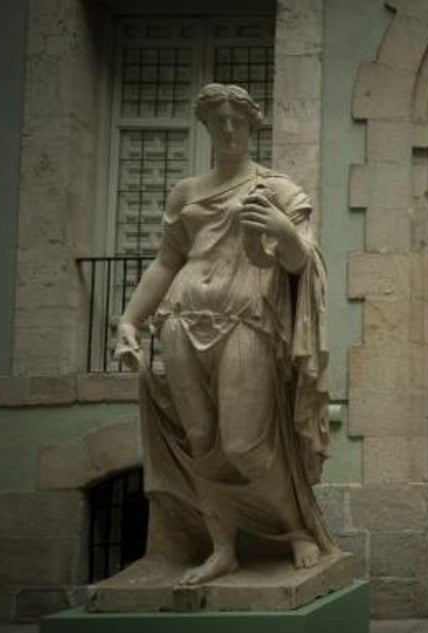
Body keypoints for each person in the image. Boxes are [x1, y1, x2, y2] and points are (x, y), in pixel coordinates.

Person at [114, 84, 334, 585]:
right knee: (200, 443)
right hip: (181, 318)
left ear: (253, 125)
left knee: (244, 444)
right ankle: (223, 546)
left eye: (237, 119)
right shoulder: (186, 192)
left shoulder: (277, 189)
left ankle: (297, 528)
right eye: (218, 120)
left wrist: (283, 229)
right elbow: (167, 262)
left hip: (245, 316)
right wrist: (128, 320)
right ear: (206, 127)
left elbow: (304, 264)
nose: (229, 128)